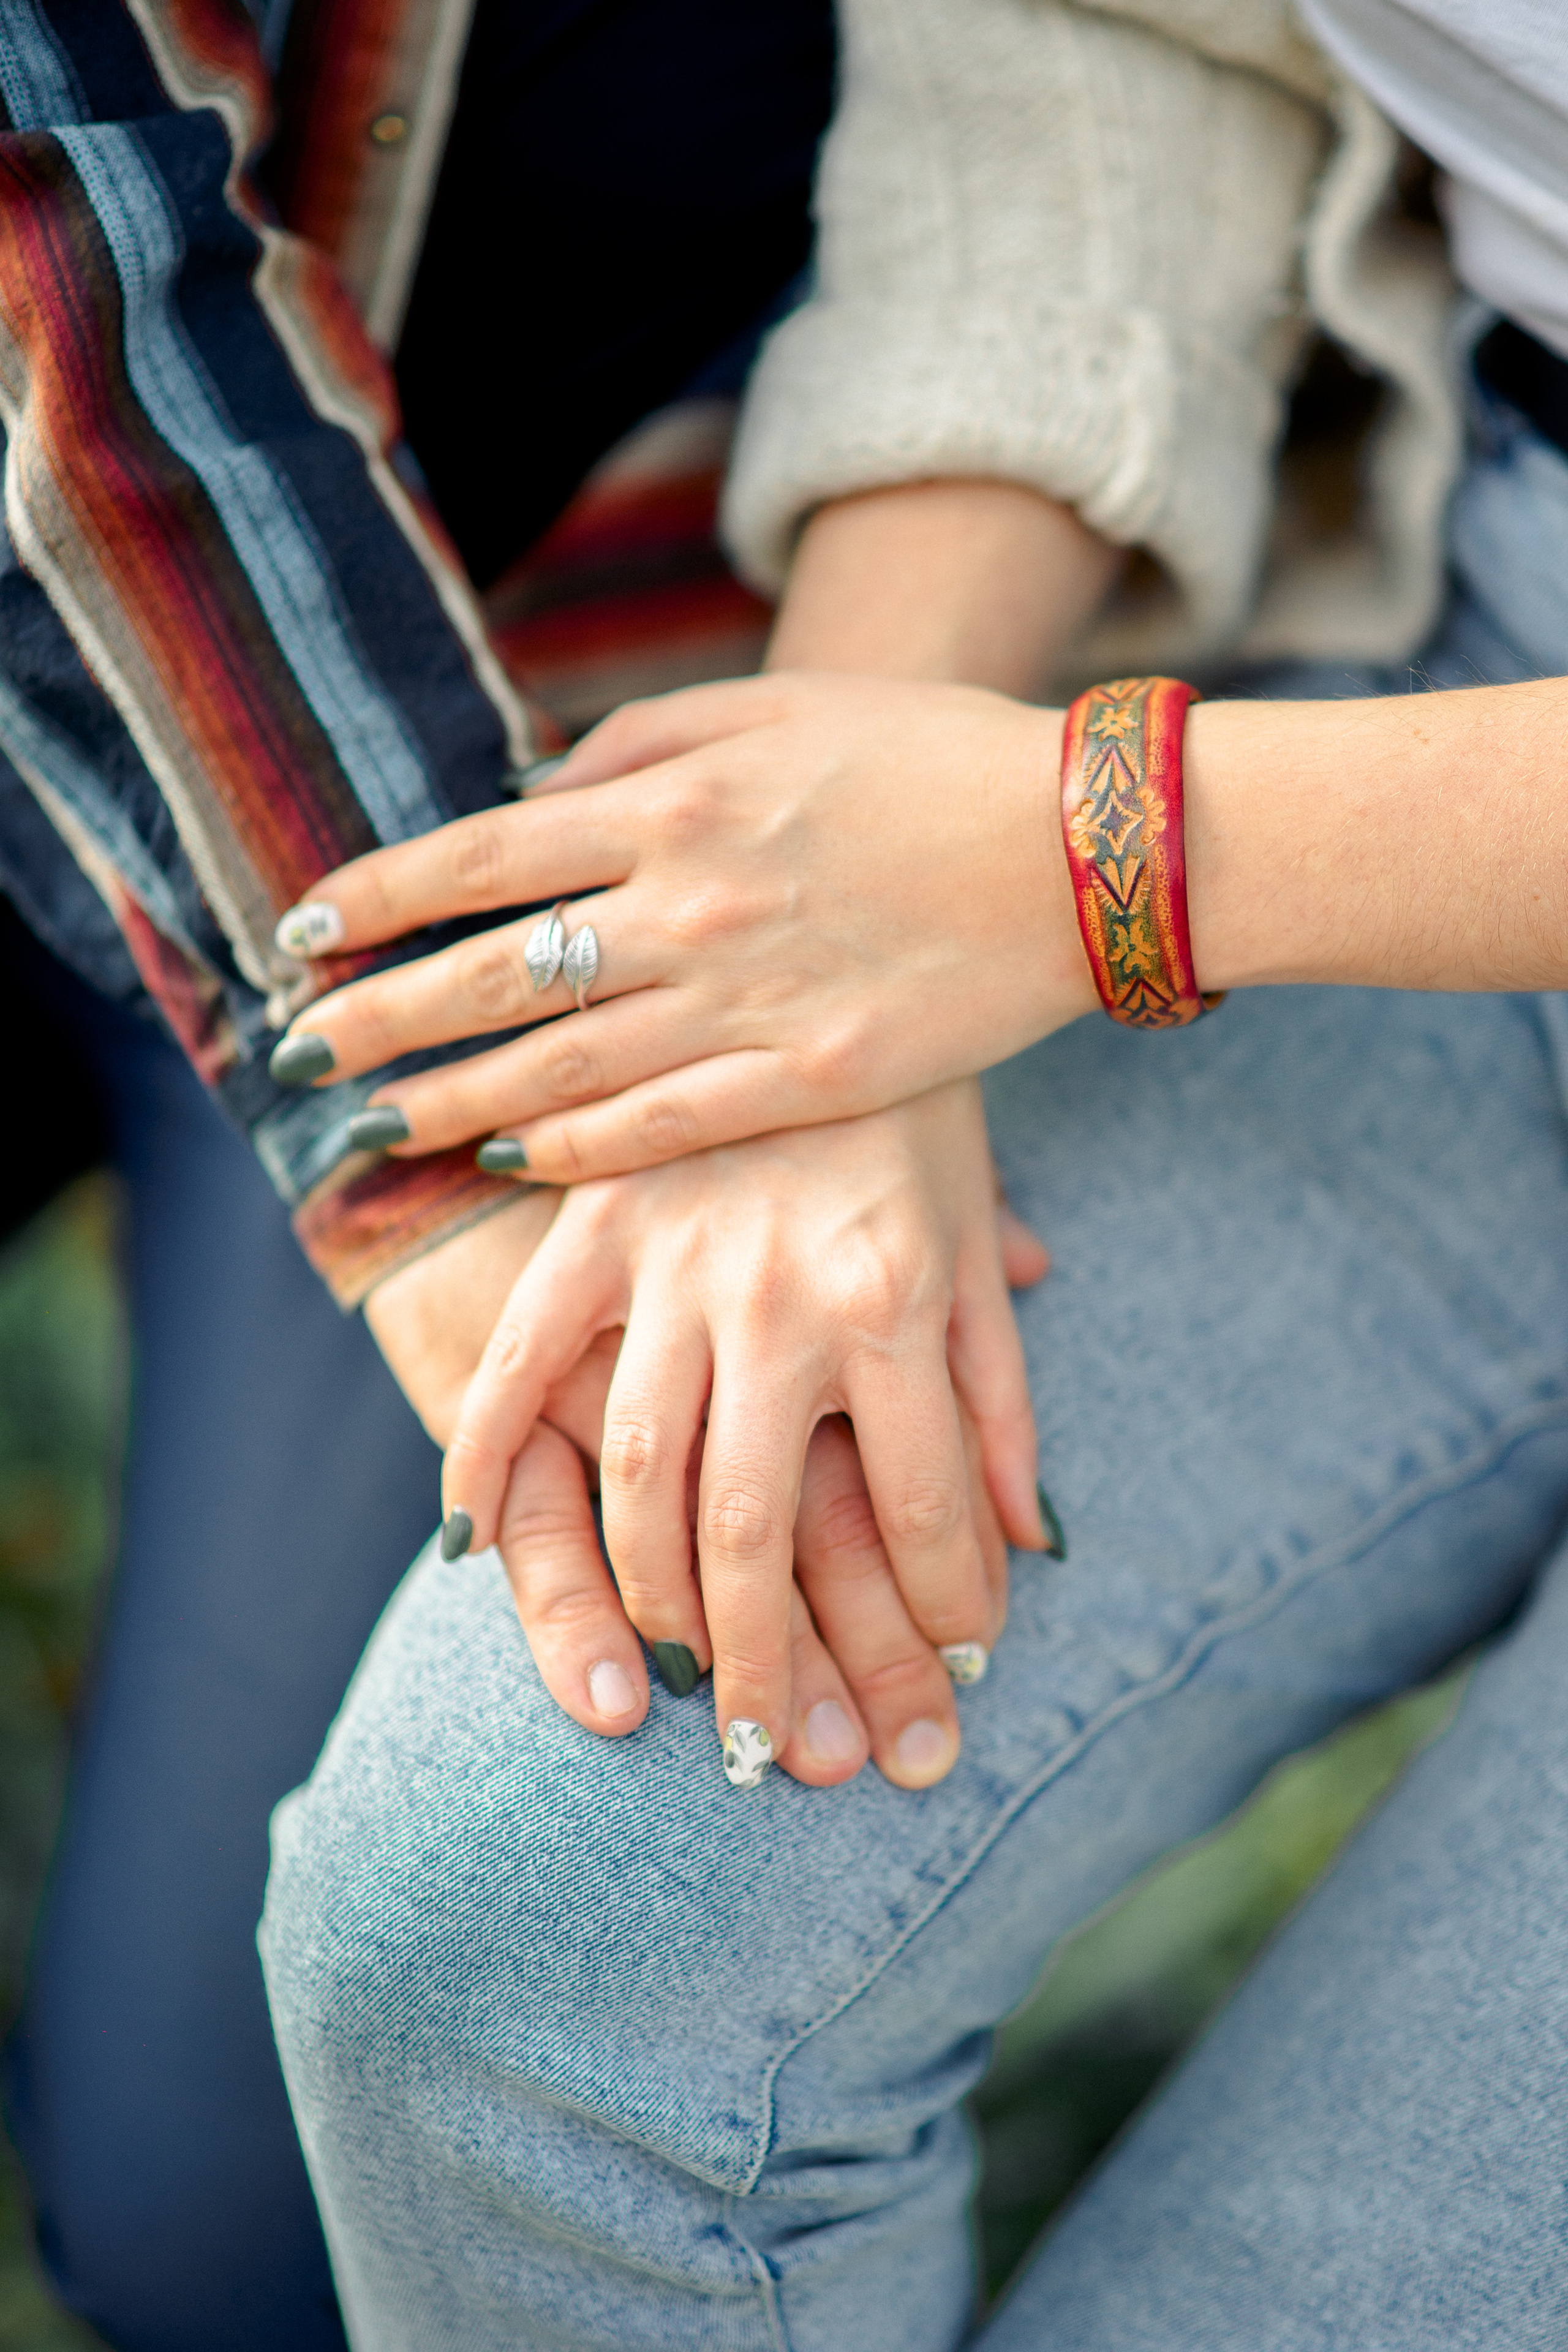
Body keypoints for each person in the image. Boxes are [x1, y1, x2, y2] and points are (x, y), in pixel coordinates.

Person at [251, 1, 1568, 2345]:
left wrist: (1075, 861)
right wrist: (827, 905)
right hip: (1484, 618)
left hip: (1288, 835)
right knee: (496, 1977)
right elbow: (1117, 41)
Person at [0, 4, 1025, 2346]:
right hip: (340, 833)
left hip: (592, 773)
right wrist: (452, 1112)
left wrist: (842, 903)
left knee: (211, 2183)